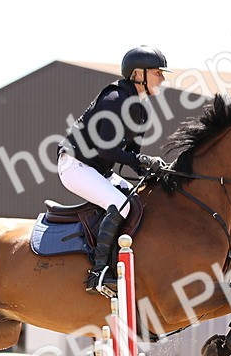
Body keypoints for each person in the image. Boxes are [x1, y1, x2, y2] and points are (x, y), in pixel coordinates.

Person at [58, 45, 171, 297]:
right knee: (120, 205)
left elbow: (130, 156)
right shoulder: (114, 100)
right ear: (138, 74)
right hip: (75, 165)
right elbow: (105, 150)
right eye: (157, 72)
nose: (162, 78)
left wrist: (154, 167)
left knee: (139, 202)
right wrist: (143, 159)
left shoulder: (140, 109)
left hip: (99, 169)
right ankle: (98, 272)